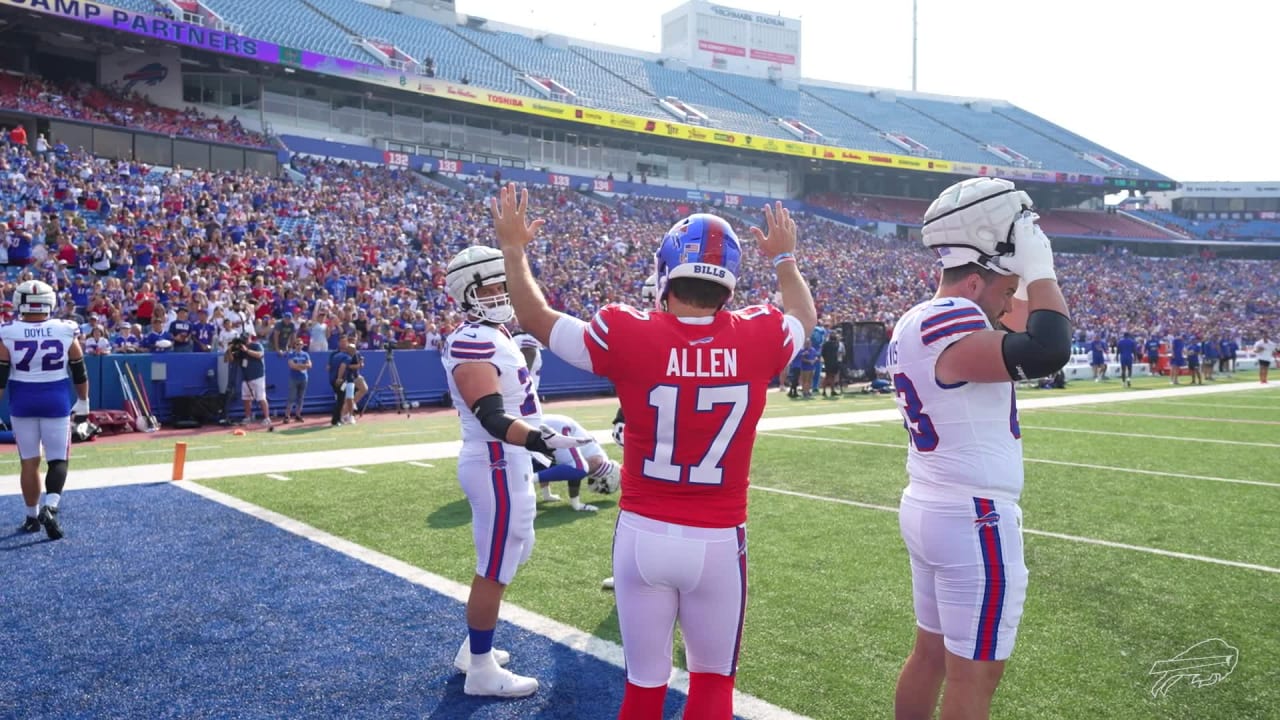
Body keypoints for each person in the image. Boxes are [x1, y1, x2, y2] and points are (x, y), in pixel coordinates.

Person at [491, 184, 816, 720]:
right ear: (729, 284)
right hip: (717, 539)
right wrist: (784, 257)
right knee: (712, 688)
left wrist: (513, 249)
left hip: (643, 534)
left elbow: (538, 318)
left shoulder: (626, 329)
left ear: (667, 272)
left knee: (643, 689)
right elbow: (802, 315)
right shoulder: (759, 335)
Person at [888, 177, 1071, 720]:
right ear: (972, 284)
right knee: (975, 673)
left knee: (931, 656)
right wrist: (1039, 271)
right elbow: (1047, 348)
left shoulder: (918, 319)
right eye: (1001, 287)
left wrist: (1021, 266)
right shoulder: (953, 317)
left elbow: (1033, 325)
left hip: (936, 503)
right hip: (972, 516)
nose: (1009, 298)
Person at [440, 244, 592, 698]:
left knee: (515, 552)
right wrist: (537, 438)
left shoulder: (495, 333)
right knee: (495, 567)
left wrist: (540, 436)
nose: (503, 293)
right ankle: (482, 670)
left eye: (505, 283)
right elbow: (490, 415)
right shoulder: (472, 339)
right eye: (492, 286)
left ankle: (473, 650)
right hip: (495, 460)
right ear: (466, 293)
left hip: (508, 461)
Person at [0, 280, 91, 540]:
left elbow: (0, 377)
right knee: (58, 459)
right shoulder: (65, 329)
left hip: (22, 401)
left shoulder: (8, 332)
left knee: (29, 462)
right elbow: (79, 369)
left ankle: (32, 517)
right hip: (55, 399)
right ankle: (50, 507)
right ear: (49, 302)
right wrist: (83, 401)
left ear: (20, 302)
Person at [534, 412, 622, 512]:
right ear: (610, 478)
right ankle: (529, 479)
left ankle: (545, 493)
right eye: (605, 487)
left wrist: (547, 494)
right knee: (578, 469)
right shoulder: (599, 462)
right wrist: (575, 503)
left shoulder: (599, 456)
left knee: (548, 461)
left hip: (548, 424)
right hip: (559, 428)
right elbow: (576, 473)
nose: (601, 489)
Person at [233, 331, 270, 426]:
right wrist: (231, 350)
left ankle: (267, 418)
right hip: (246, 377)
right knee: (246, 398)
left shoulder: (256, 345)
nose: (244, 341)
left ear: (250, 337)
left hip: (258, 375)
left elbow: (260, 355)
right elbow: (230, 359)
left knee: (261, 397)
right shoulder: (240, 350)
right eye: (243, 339)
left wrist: (247, 351)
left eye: (246, 339)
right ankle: (248, 417)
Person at [283, 335, 311, 423]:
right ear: (295, 345)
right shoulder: (291, 354)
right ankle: (287, 416)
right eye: (297, 344)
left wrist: (299, 366)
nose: (299, 346)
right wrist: (303, 366)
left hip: (304, 378)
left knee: (301, 398)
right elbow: (292, 365)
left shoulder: (306, 354)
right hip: (294, 378)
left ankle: (298, 415)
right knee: (291, 398)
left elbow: (310, 365)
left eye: (301, 344)